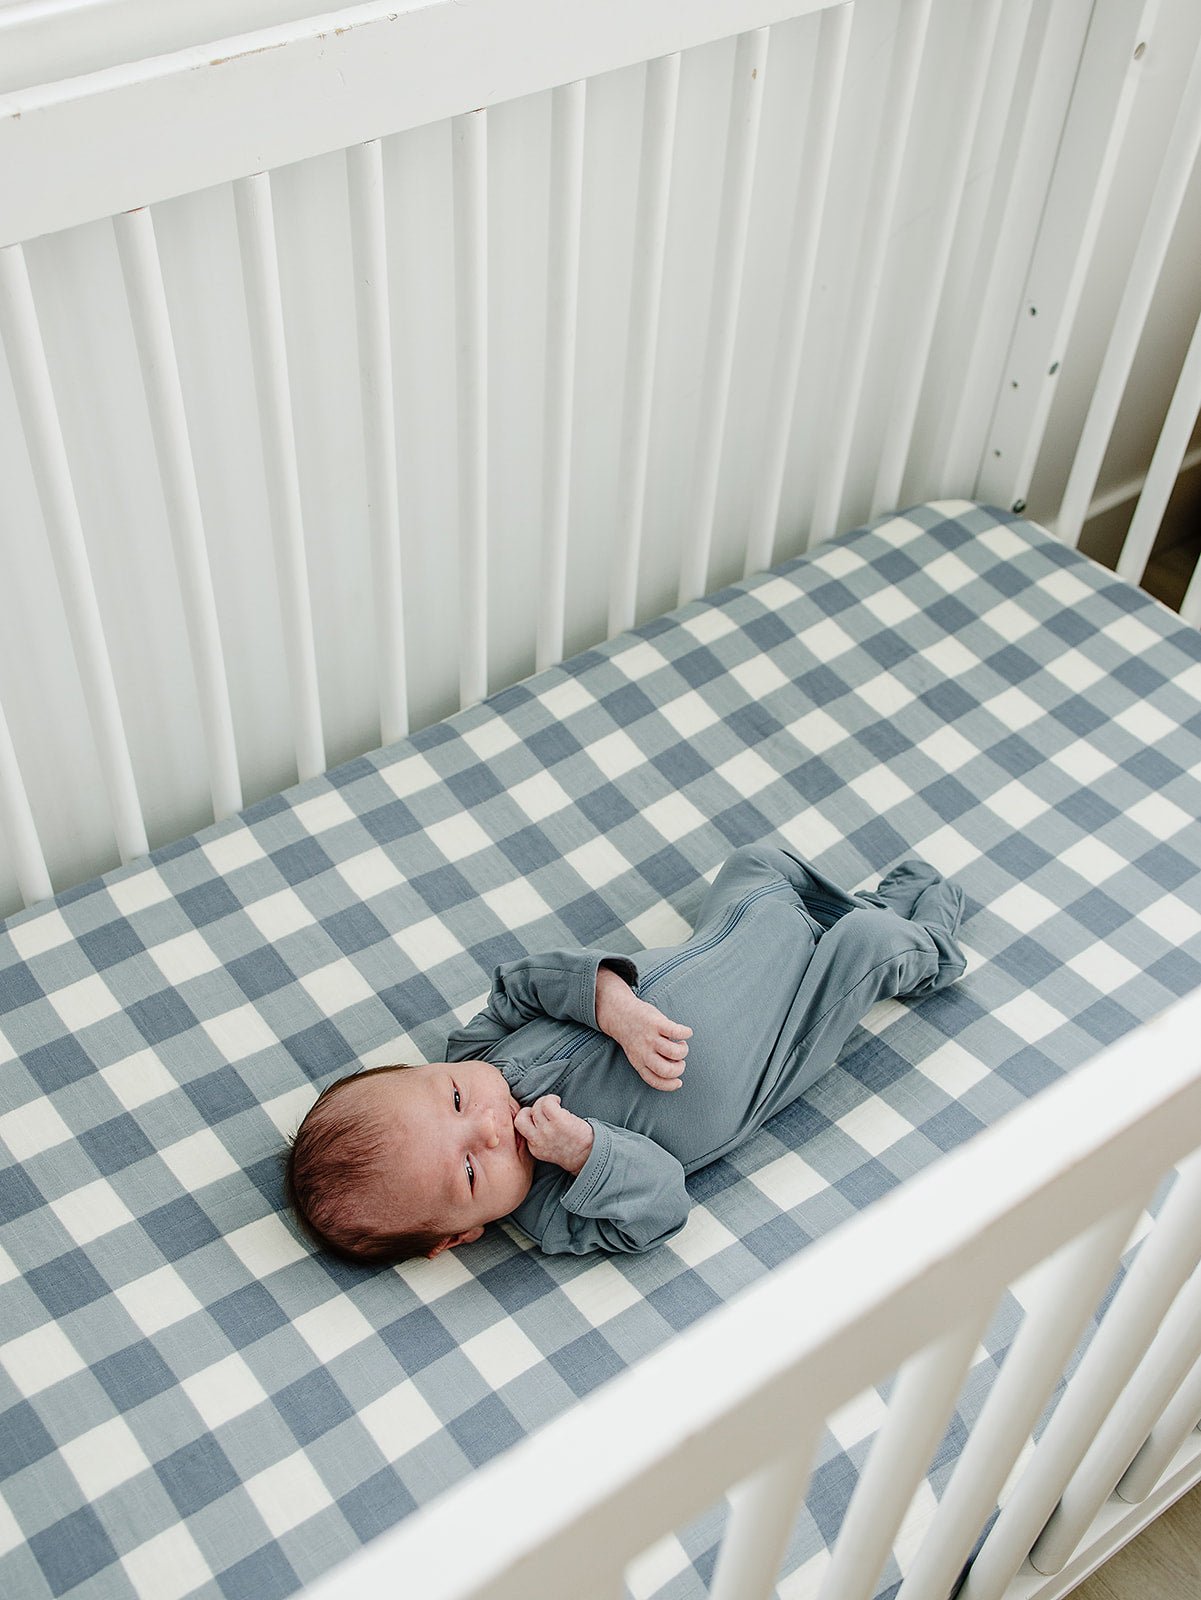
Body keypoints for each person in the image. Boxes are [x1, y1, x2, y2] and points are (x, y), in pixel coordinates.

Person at [284, 843, 967, 1263]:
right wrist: (583, 1150)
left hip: (731, 940)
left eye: (456, 1100)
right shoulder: (552, 1212)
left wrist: (615, 1007)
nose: (490, 1130)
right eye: (467, 1173)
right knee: (872, 945)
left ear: (431, 1068)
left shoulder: (478, 1047)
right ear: (457, 1236)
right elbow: (661, 1206)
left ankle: (843, 911)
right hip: (785, 1032)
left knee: (754, 862)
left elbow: (525, 979)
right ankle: (923, 934)